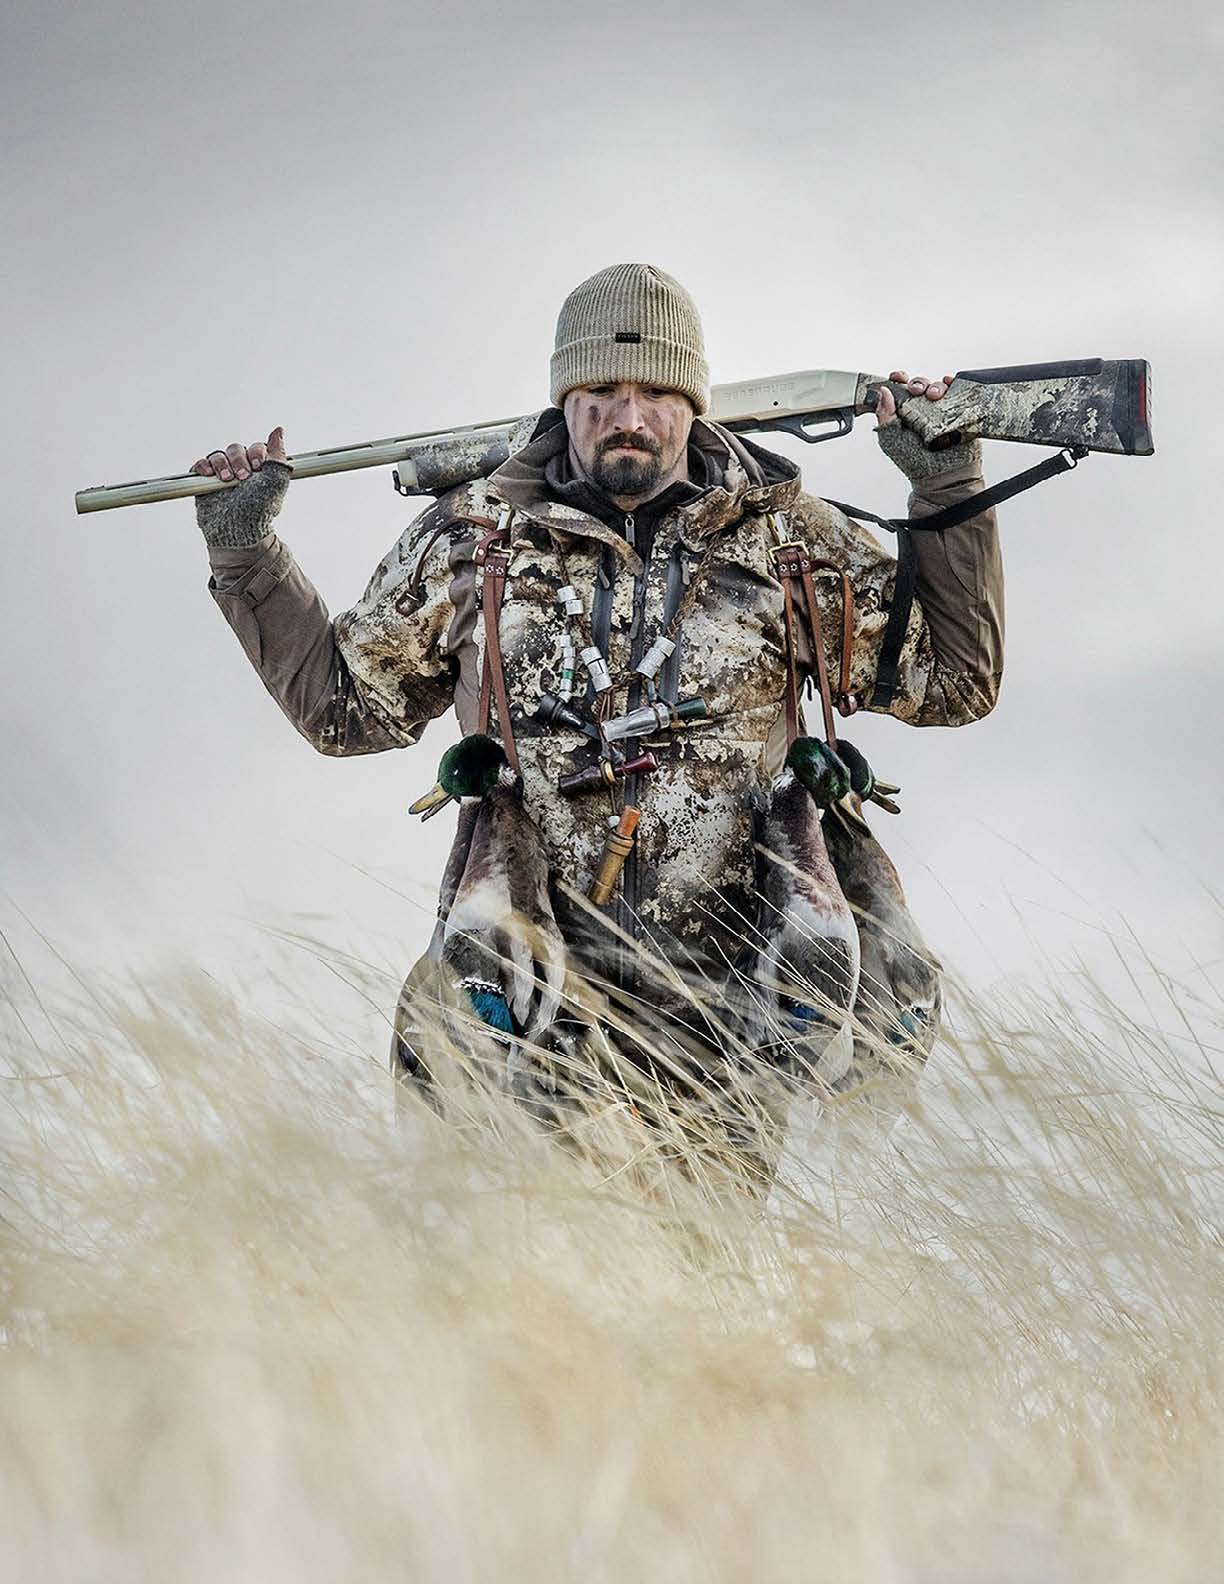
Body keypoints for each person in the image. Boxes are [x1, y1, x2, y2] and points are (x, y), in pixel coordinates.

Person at [194, 263, 1003, 1193]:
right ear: (563, 398)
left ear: (693, 401)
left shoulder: (787, 540)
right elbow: (346, 712)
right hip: (519, 1009)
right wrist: (245, 553)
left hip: (728, 1026)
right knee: (500, 1271)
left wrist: (947, 489)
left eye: (657, 392)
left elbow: (952, 685)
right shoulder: (470, 540)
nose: (630, 416)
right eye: (602, 392)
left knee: (696, 1275)